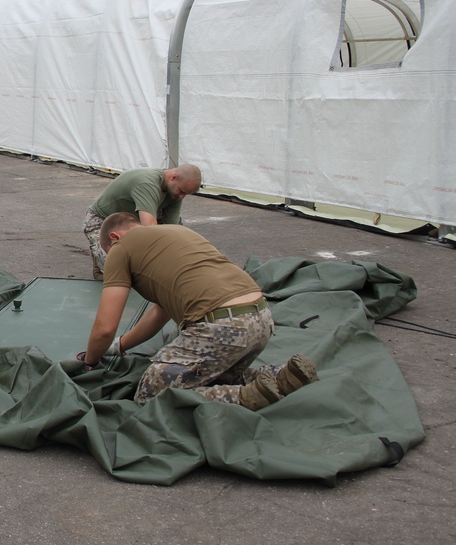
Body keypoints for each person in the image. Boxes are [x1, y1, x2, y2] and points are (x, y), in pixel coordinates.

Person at [79, 212, 319, 410]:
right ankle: (281, 377)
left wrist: (91, 360)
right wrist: (120, 346)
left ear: (114, 237)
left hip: (221, 326)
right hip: (261, 317)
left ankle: (242, 398)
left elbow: (105, 326)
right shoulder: (176, 233)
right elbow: (158, 313)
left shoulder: (121, 248)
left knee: (151, 397)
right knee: (217, 375)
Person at [83, 165, 201, 279]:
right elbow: (149, 230)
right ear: (174, 177)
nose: (182, 197)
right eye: (181, 191)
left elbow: (173, 229)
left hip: (132, 220)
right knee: (118, 270)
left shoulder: (175, 192)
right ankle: (100, 260)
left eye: (185, 193)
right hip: (103, 221)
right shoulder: (147, 183)